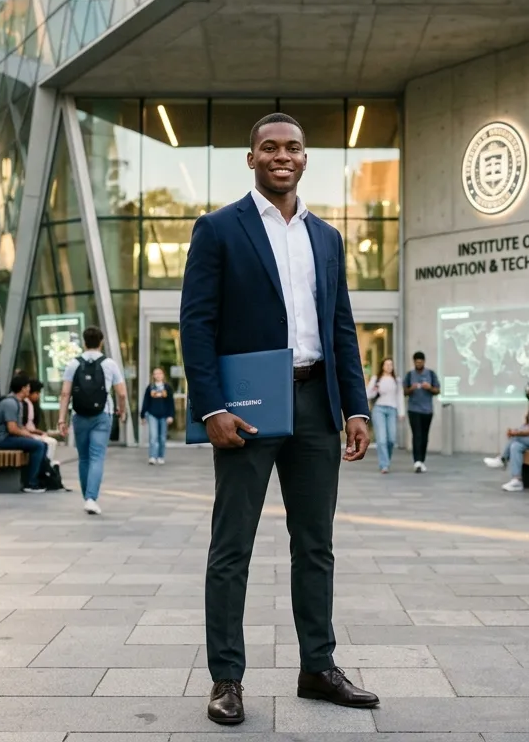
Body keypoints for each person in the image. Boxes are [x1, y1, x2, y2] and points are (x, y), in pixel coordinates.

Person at [180, 112, 378, 726]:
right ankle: (226, 678)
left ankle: (317, 667)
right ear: (252, 158)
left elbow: (340, 327)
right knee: (231, 546)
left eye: (293, 147)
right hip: (247, 406)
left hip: (317, 403)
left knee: (315, 545)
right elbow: (197, 324)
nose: (282, 156)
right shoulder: (218, 229)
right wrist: (211, 406)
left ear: (305, 158)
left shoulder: (327, 237)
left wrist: (356, 406)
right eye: (269, 147)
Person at [58, 326, 126, 515]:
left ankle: (86, 496)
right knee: (97, 456)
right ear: (101, 342)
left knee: (84, 457)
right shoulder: (109, 364)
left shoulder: (73, 364)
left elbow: (65, 393)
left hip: (79, 415)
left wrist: (61, 419)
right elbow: (121, 392)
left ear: (84, 342)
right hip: (103, 414)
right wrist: (122, 410)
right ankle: (91, 498)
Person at [0, 375, 50, 493]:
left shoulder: (18, 403)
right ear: (23, 388)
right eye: (28, 386)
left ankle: (40, 478)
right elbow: (12, 428)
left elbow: (19, 426)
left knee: (43, 444)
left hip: (10, 437)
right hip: (2, 439)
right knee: (38, 446)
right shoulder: (10, 403)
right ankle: (30, 483)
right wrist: (28, 435)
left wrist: (29, 433)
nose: (29, 389)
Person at [367, 358, 406, 474]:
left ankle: (386, 460)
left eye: (391, 365)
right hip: (379, 408)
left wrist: (401, 412)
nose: (389, 367)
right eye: (387, 364)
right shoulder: (376, 379)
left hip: (392, 409)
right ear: (382, 366)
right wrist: (375, 389)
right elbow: (368, 394)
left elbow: (400, 396)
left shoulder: (397, 380)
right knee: (382, 439)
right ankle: (384, 464)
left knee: (391, 439)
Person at [403, 352, 439, 473]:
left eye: (420, 362)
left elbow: (437, 390)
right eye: (416, 362)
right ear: (414, 362)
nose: (418, 364)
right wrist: (411, 389)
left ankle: (422, 460)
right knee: (416, 435)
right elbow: (404, 392)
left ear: (424, 362)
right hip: (413, 409)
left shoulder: (431, 374)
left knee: (424, 436)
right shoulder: (409, 375)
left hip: (427, 410)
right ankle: (417, 461)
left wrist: (429, 387)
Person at [24, 378, 61, 478]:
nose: (38, 395)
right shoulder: (26, 404)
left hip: (30, 433)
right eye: (37, 393)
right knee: (49, 442)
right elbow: (27, 426)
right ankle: (43, 469)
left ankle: (45, 466)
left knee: (50, 441)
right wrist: (40, 432)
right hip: (27, 434)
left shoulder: (32, 404)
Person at [140, 367, 176, 465]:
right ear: (153, 376)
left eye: (159, 373)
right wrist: (142, 415)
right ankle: (152, 456)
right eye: (155, 373)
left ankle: (160, 456)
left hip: (164, 415)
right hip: (152, 415)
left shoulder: (167, 387)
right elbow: (145, 402)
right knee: (153, 436)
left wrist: (171, 415)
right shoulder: (150, 387)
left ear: (163, 375)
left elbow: (171, 403)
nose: (158, 375)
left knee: (162, 437)